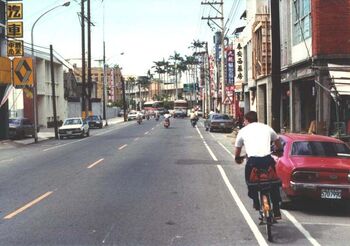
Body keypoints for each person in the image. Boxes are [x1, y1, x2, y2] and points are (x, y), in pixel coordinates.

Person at [234, 111, 283, 219]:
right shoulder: (267, 128)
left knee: (250, 182)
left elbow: (237, 149)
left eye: (244, 121)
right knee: (274, 183)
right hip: (267, 160)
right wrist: (279, 150)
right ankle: (276, 210)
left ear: (246, 120)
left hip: (253, 162)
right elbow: (277, 141)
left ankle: (256, 202)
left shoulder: (242, 131)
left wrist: (238, 158)